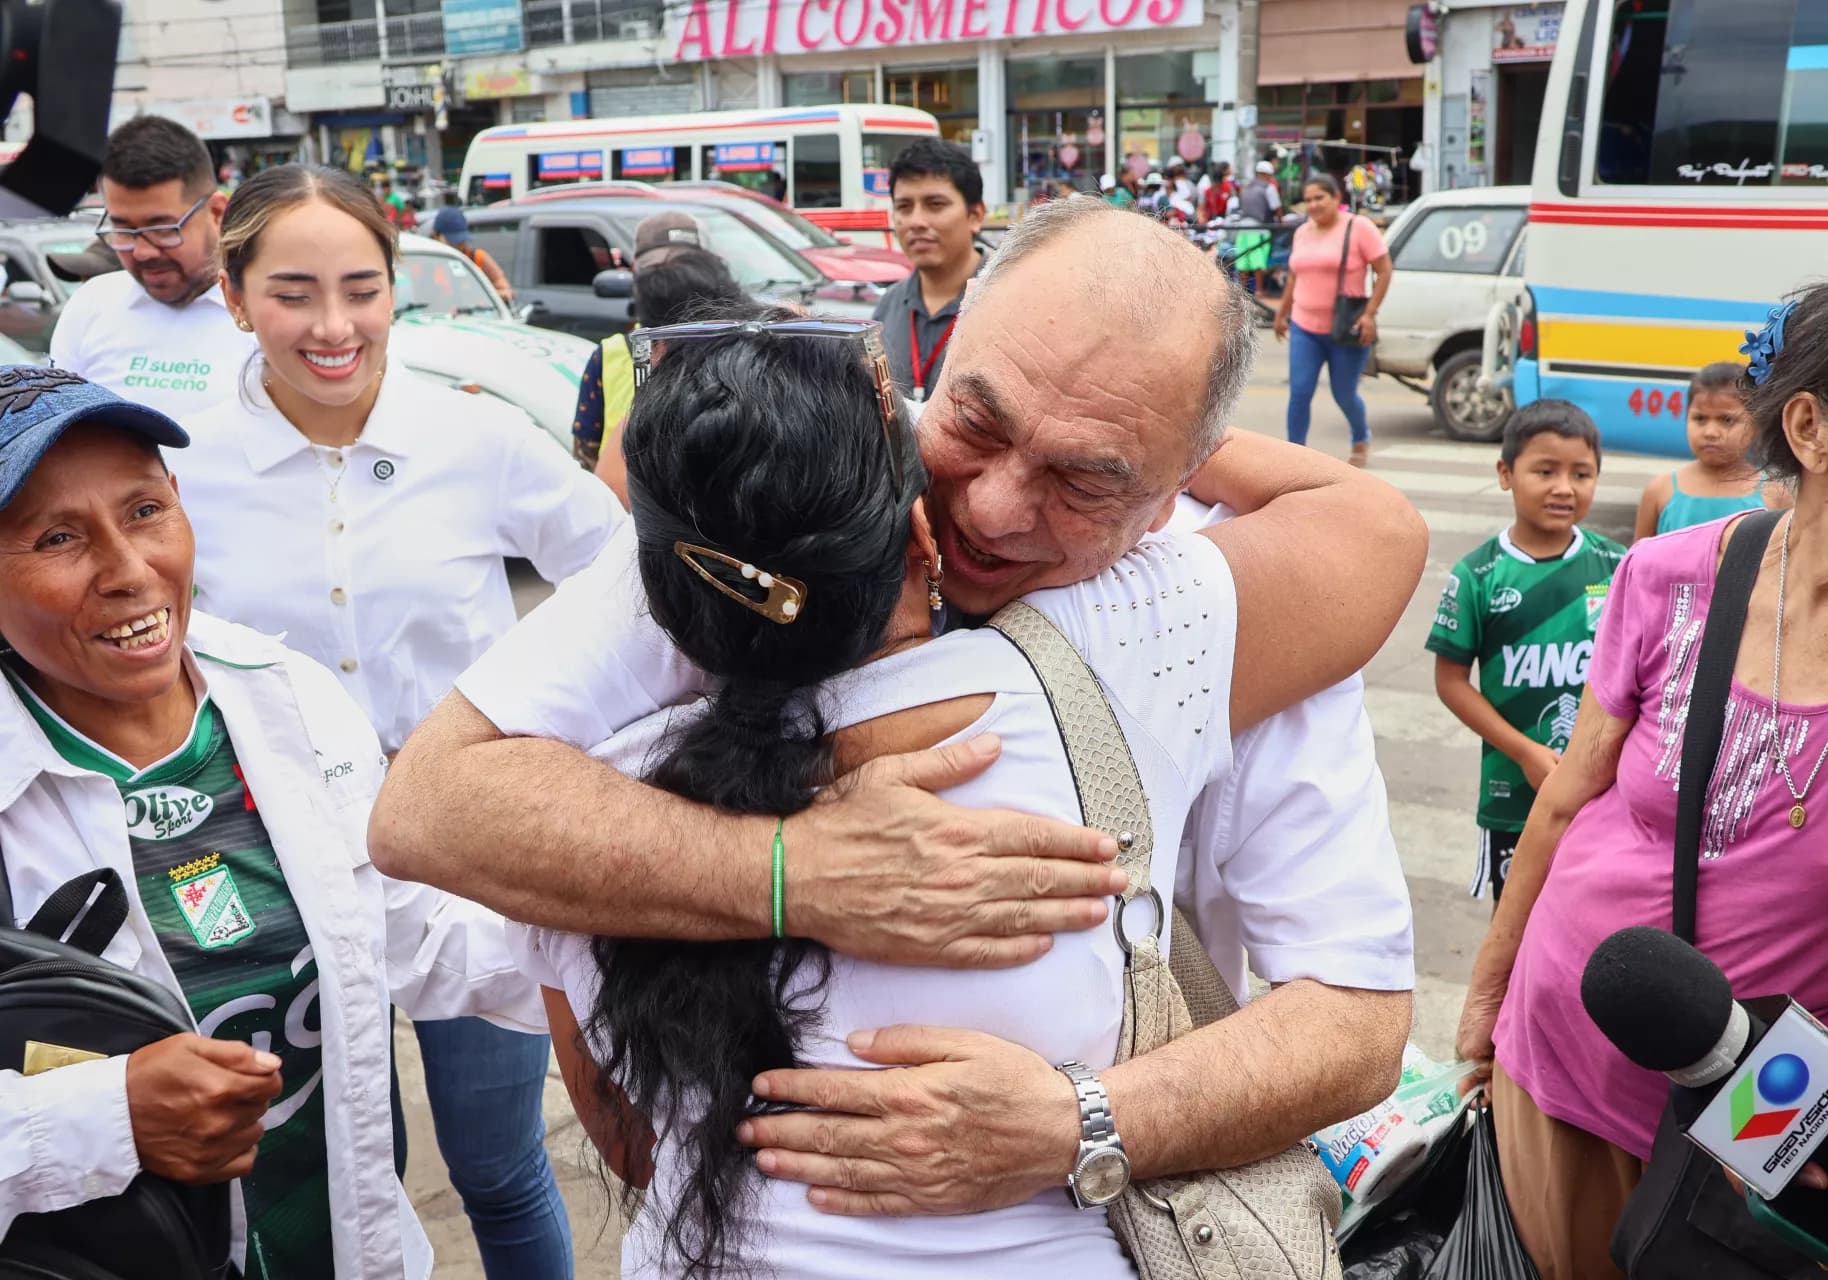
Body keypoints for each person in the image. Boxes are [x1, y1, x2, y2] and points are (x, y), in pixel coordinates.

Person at [372, 198, 1423, 1228]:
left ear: (1179, 484)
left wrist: (1079, 1121)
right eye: (976, 421)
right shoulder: (781, 515)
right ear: (931, 360)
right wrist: (800, 872)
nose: (995, 509)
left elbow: (1353, 1020)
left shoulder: (1210, 608)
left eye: (1085, 478)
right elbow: (431, 805)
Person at [170, 164, 623, 1278]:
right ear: (233, 296)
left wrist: (557, 735)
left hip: (469, 859)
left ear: (395, 291)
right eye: (293, 292)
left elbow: (626, 581)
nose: (334, 325)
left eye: (362, 288)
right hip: (279, 872)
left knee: (498, 1166)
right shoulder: (180, 466)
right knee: (349, 1166)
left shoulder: (477, 440)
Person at [0, 369, 544, 1278]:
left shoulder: (285, 695)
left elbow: (415, 933)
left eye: (143, 511)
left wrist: (674, 938)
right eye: (58, 538)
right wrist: (106, 1119)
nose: (129, 572)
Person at [1455, 263, 1828, 1280]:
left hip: (1776, 1096)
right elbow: (1569, 795)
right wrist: (1486, 994)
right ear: (1811, 430)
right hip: (1567, 1047)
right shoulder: (1672, 576)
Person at [1427, 401, 1624, 907]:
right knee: (1515, 928)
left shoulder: (1619, 566)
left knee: (1591, 925)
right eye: (1545, 471)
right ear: (1505, 474)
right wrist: (1525, 752)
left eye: (1581, 473)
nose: (1564, 487)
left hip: (1600, 795)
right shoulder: (1478, 576)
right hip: (1513, 796)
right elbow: (1451, 682)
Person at [50, 116, 255, 418]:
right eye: (124, 230)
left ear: (216, 213)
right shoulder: (92, 304)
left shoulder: (267, 312)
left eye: (162, 229)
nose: (143, 252)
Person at [569, 213, 748, 478]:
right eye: (659, 271)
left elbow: (586, 460)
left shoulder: (747, 345)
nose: (671, 281)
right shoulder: (612, 355)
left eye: (683, 267)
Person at [1272, 173, 1393, 467]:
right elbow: (1294, 277)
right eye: (1308, 199)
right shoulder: (1302, 232)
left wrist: (1370, 314)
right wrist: (1282, 313)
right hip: (1305, 327)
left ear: (1336, 198)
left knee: (1344, 394)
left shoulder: (1359, 227)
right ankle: (1294, 455)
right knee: (1299, 392)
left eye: (1319, 198)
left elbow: (1384, 270)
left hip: (1345, 329)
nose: (1313, 205)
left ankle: (1361, 436)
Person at [870, 138, 985, 402]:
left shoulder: (1009, 299)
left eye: (935, 205)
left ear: (976, 216)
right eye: (904, 207)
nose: (916, 222)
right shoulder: (887, 308)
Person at [1632, 361, 1769, 540]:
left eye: (1727, 420)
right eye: (1700, 418)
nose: (1710, 432)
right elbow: (1637, 562)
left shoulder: (1773, 494)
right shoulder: (1660, 490)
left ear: (1756, 425)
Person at [428, 207, 514, 305]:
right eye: (453, 240)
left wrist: (480, 296)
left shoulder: (477, 258)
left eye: (462, 240)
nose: (460, 245)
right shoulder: (424, 263)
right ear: (435, 236)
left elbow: (506, 291)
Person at [1233, 160, 1281, 297]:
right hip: (1259, 227)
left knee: (1244, 258)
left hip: (1243, 226)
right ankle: (1259, 290)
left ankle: (1242, 291)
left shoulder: (1246, 188)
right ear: (1267, 174)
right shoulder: (1269, 188)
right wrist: (1282, 222)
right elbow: (1276, 207)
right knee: (1258, 258)